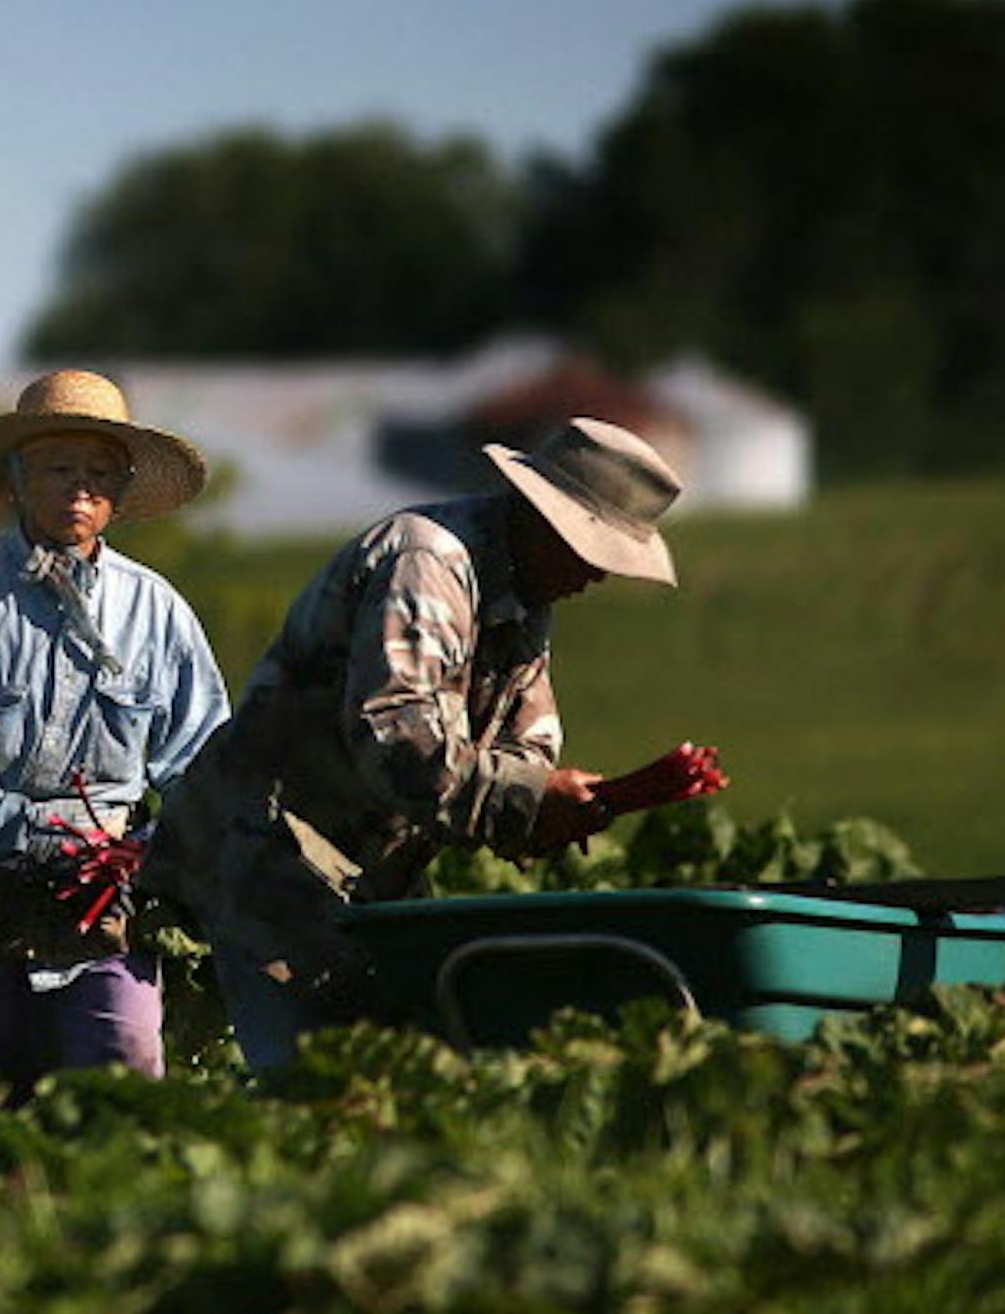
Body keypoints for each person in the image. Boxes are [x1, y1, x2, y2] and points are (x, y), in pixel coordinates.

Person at [147, 415, 683, 1069]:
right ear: (544, 519)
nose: (597, 577)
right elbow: (395, 733)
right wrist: (526, 798)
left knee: (393, 1073)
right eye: (590, 554)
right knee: (302, 1084)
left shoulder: (521, 594)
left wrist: (546, 803)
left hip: (361, 878)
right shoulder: (428, 561)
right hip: (268, 858)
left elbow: (526, 736)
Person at [0, 369, 229, 1090]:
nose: (81, 488)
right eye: (60, 468)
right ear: (17, 477)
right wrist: (41, 834)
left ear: (122, 489)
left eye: (100, 472)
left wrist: (143, 852)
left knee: (123, 1082)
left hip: (109, 900)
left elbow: (208, 768)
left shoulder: (157, 611)